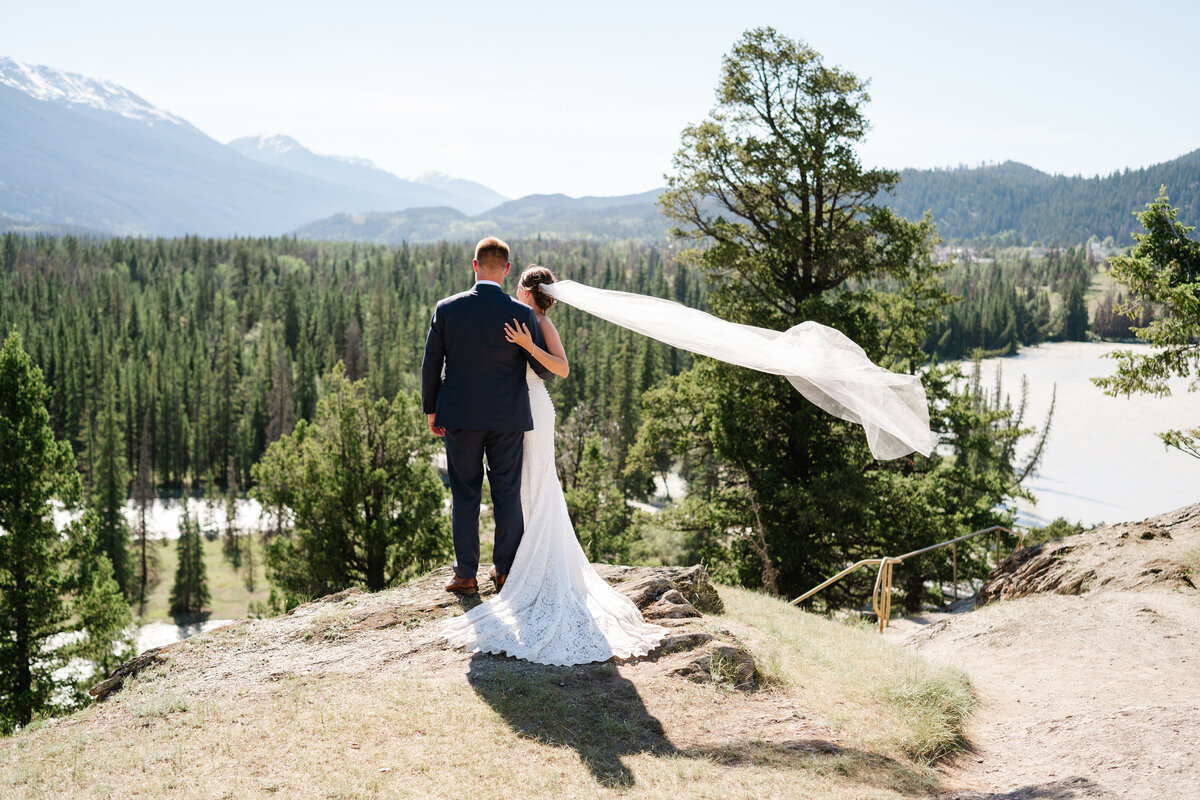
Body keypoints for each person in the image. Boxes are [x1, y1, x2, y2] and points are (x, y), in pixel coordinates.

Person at [438, 266, 669, 666]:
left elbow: (561, 369)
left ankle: (533, 564)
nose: (513, 289)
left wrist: (529, 345)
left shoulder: (540, 323)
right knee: (519, 487)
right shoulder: (515, 315)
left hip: (534, 408)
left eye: (519, 284)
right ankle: (519, 561)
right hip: (511, 410)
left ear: (529, 289)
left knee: (535, 484)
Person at [421, 237, 555, 596]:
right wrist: (528, 345)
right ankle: (506, 573)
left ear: (475, 265)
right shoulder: (522, 313)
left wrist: (432, 410)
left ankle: (465, 575)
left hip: (460, 418)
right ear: (507, 269)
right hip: (507, 419)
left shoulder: (447, 308)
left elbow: (431, 363)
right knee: (507, 494)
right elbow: (545, 373)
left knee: (465, 494)